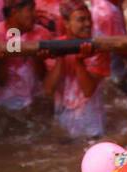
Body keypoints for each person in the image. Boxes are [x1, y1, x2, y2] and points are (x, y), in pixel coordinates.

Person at [45, 1, 108, 138]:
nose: (87, 24)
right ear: (66, 23)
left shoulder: (99, 48)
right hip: (63, 123)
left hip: (92, 125)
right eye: (81, 20)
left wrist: (79, 62)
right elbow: (49, 89)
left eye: (89, 19)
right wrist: (60, 58)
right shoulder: (55, 46)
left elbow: (88, 90)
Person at [0, 0, 53, 112]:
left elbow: (45, 79)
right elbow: (0, 81)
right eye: (30, 9)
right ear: (14, 11)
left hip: (35, 103)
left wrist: (38, 60)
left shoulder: (42, 33)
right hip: (4, 106)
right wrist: (0, 62)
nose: (35, 14)